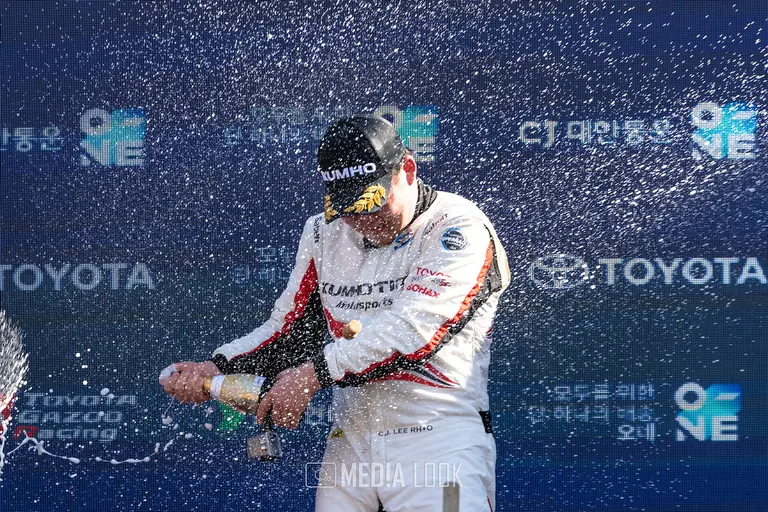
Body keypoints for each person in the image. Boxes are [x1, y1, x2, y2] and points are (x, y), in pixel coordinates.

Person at [163, 114, 510, 511]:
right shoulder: (322, 232)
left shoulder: (458, 228)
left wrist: (313, 375)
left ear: (408, 170)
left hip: (439, 440)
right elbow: (290, 329)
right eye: (348, 208)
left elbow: (415, 332)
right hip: (351, 444)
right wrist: (219, 366)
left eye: (372, 203)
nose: (362, 220)